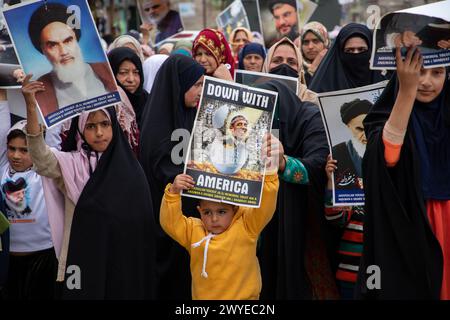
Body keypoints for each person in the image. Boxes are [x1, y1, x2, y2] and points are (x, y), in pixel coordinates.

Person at [22, 75, 156, 299]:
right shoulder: (71, 163)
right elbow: (40, 157)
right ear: (82, 129)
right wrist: (30, 106)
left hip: (123, 265)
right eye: (91, 126)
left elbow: (140, 227)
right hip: (83, 261)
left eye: (105, 124)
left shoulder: (133, 171)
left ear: (114, 125)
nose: (99, 133)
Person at [357, 47, 450, 300]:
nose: (426, 81)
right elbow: (386, 158)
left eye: (437, 72)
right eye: (419, 71)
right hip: (410, 222)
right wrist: (407, 91)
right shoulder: (390, 112)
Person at [160, 134, 279, 300]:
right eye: (207, 212)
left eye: (222, 212)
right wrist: (173, 193)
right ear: (199, 211)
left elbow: (266, 203)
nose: (214, 219)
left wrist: (271, 172)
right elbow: (170, 223)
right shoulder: (194, 231)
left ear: (235, 209)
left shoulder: (246, 226)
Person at [256, 80, 339, 300]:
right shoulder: (249, 122)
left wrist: (284, 163)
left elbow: (320, 163)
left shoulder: (310, 117)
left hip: (304, 221)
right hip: (264, 220)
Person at [139, 55, 205, 299]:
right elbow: (160, 171)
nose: (201, 91)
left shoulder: (191, 116)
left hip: (192, 224)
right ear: (179, 84)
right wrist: (175, 182)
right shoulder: (157, 126)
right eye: (196, 84)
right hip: (165, 226)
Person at [28, 3, 116, 117]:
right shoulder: (40, 89)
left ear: (76, 39)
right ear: (43, 50)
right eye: (53, 45)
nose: (64, 52)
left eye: (68, 40)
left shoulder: (106, 70)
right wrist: (29, 102)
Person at [324, 155, 364, 300]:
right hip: (350, 274)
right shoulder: (353, 179)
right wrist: (332, 181)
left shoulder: (388, 182)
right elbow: (335, 219)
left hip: (377, 270)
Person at [310, 23, 387, 93]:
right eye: (349, 50)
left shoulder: (384, 81)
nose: (356, 54)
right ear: (340, 52)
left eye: (362, 49)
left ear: (371, 50)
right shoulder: (325, 83)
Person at [262, 37, 318, 104]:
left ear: (299, 68)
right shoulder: (252, 96)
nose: (284, 66)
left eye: (291, 62)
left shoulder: (313, 101)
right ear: (266, 64)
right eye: (277, 61)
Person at [332, 99, 372, 188]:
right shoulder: (337, 152)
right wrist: (329, 176)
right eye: (359, 129)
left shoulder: (385, 148)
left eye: (369, 127)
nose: (365, 134)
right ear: (348, 127)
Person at [108, 47, 148, 129]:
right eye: (123, 73)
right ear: (111, 73)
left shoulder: (148, 101)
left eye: (136, 72)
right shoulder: (106, 105)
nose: (131, 79)